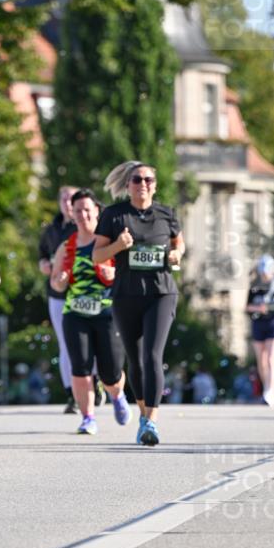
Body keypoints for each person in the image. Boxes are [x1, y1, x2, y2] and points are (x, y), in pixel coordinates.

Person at [93, 161, 184, 446]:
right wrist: (117, 247)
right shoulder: (113, 215)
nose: (142, 184)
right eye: (136, 180)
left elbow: (179, 244)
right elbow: (97, 255)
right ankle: (143, 414)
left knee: (152, 355)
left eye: (148, 180)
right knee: (135, 358)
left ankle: (152, 421)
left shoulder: (167, 214)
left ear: (155, 185)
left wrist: (177, 254)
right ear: (128, 185)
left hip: (161, 292)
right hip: (126, 294)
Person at [50, 188, 131, 435]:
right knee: (80, 368)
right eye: (77, 211)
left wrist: (113, 274)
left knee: (110, 373)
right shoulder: (68, 246)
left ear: (97, 211)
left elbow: (129, 275)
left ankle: (117, 396)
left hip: (107, 314)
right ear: (72, 215)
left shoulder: (111, 241)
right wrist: (61, 279)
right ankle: (88, 418)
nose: (83, 215)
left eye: (87, 209)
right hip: (75, 314)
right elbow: (55, 282)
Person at [38, 186, 79, 413]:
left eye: (72, 198)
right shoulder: (51, 229)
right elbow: (42, 255)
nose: (67, 202)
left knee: (87, 342)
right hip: (57, 293)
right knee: (65, 344)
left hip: (83, 291)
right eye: (63, 198)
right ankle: (71, 394)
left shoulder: (85, 226)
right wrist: (44, 264)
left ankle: (94, 382)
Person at [246, 254, 274, 407]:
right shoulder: (255, 286)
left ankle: (271, 392)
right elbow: (247, 306)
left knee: (272, 358)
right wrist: (259, 308)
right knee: (262, 361)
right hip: (259, 324)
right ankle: (266, 389)